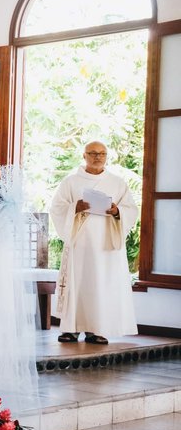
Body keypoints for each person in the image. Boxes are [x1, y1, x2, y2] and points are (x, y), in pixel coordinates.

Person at [50, 141, 138, 345]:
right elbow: (57, 208)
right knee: (77, 283)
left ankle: (96, 330)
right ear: (84, 155)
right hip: (80, 242)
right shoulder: (71, 182)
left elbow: (131, 209)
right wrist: (75, 207)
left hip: (105, 243)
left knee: (101, 284)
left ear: (107, 156)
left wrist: (117, 211)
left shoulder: (117, 182)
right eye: (93, 153)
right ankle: (70, 330)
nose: (98, 157)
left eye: (102, 153)